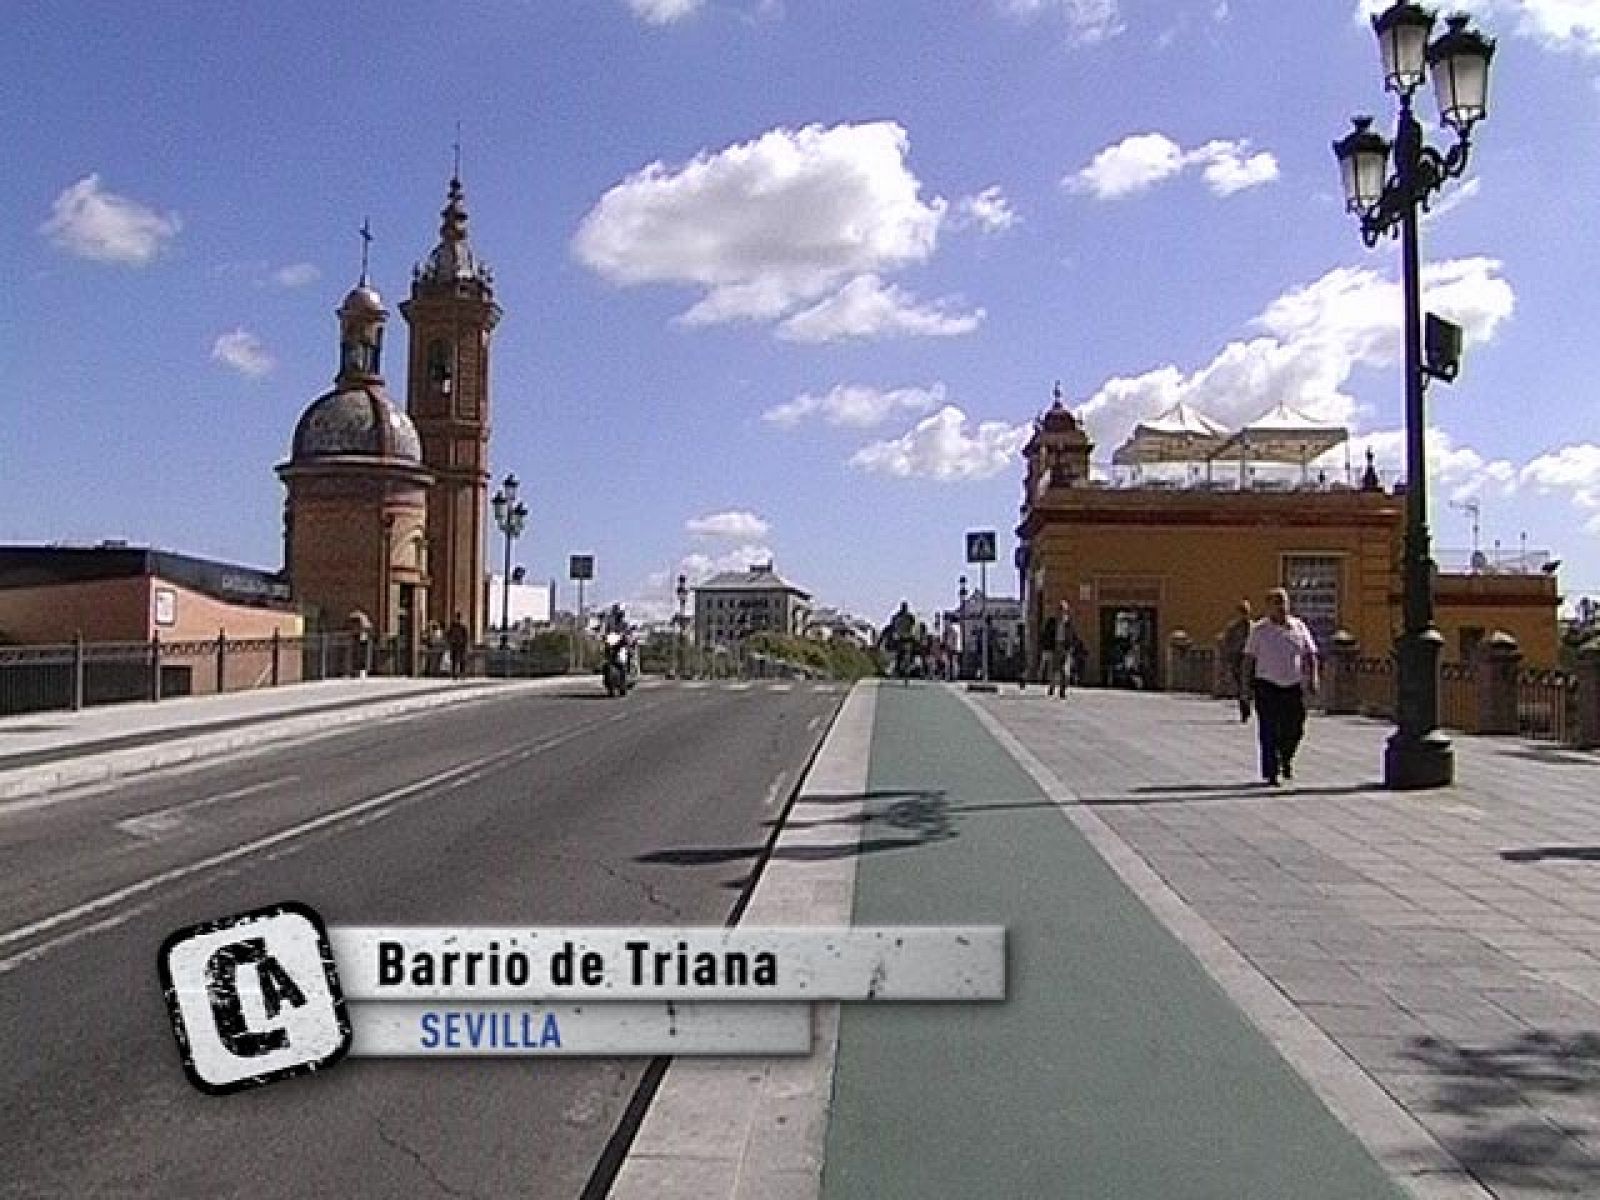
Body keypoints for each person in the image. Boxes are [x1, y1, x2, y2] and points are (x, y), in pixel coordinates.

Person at [1242, 588, 1319, 786]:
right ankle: (1271, 770)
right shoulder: (1259, 630)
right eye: (1276, 603)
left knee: (1296, 727)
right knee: (1268, 728)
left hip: (1293, 684)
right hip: (1266, 685)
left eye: (1283, 602)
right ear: (1268, 607)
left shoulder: (1298, 626)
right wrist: (1245, 689)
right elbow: (1249, 659)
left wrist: (1313, 677)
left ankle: (1286, 757)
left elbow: (1310, 653)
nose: (1281, 607)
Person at [1220, 599, 1254, 722]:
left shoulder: (1254, 627)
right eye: (1243, 611)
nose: (1245, 614)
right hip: (1237, 659)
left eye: (1246, 611)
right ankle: (1244, 709)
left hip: (1251, 660)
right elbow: (1226, 643)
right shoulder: (1233, 628)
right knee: (1241, 685)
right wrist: (1228, 658)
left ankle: (1248, 704)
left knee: (1250, 685)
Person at [1043, 600, 1075, 699]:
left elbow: (1072, 636)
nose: (1062, 612)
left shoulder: (1068, 623)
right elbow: (1046, 636)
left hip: (1065, 648)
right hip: (1054, 647)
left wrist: (1070, 648)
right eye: (1060, 610)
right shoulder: (1052, 622)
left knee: (1065, 670)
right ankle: (1052, 687)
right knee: (1054, 670)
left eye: (1064, 610)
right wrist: (1047, 649)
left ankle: (1062, 691)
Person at [446, 612, 469, 680]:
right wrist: (451, 642)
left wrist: (464, 644)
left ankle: (461, 674)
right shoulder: (453, 627)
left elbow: (466, 637)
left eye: (458, 618)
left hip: (460, 646)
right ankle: (455, 674)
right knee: (455, 661)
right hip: (455, 646)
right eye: (457, 618)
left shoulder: (462, 627)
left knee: (461, 661)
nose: (458, 620)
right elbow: (448, 636)